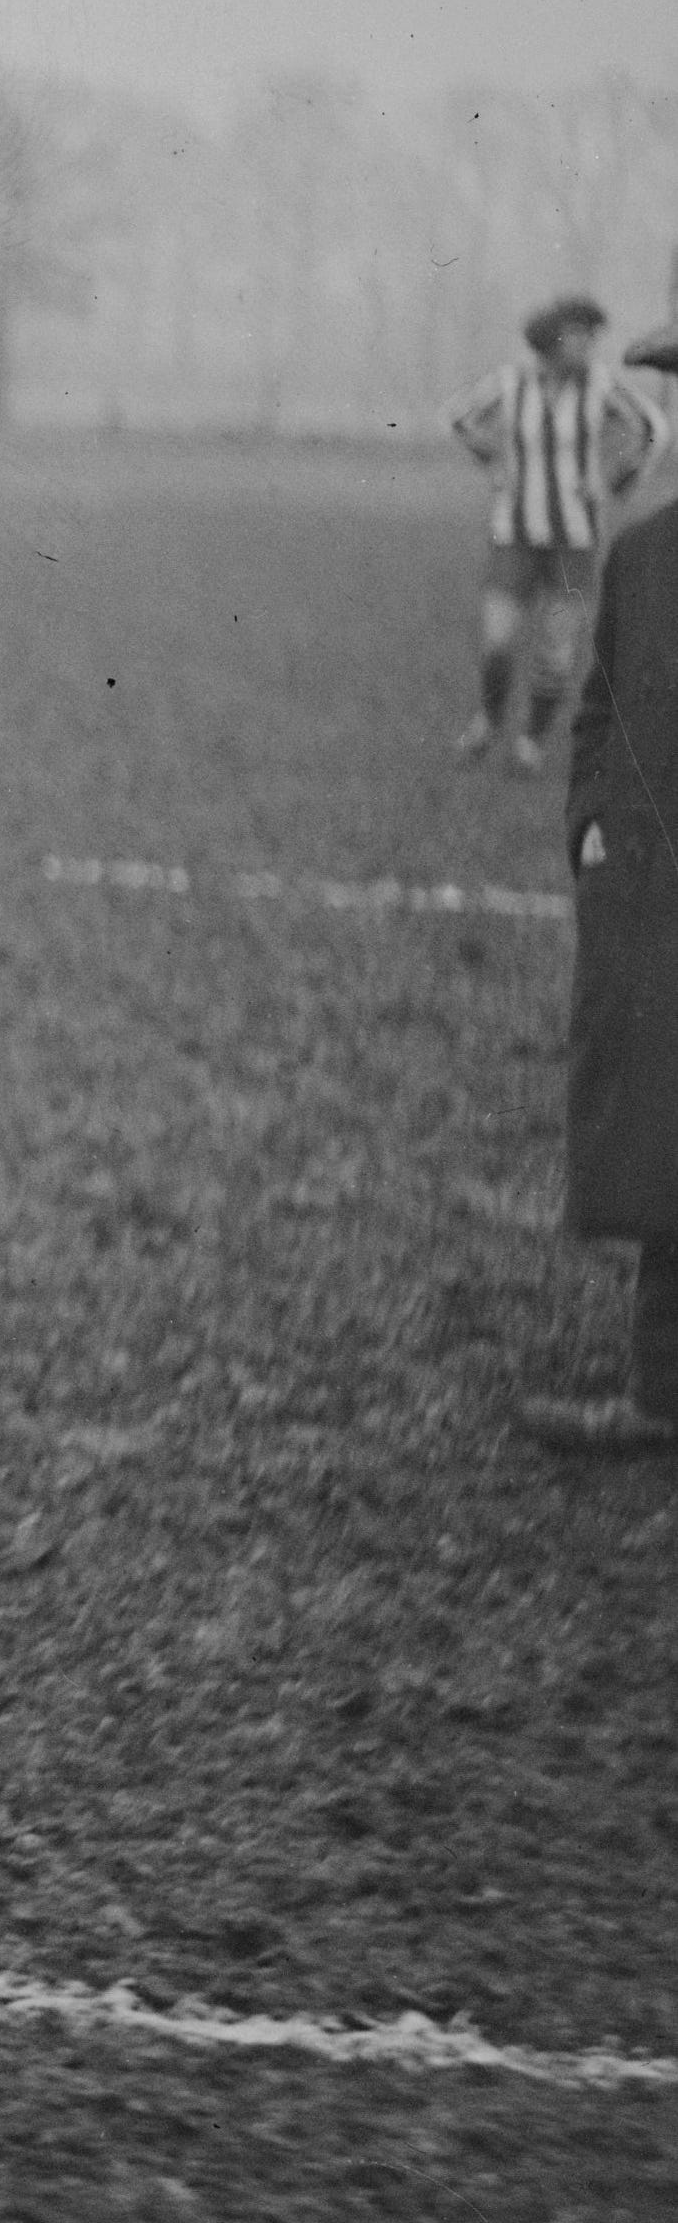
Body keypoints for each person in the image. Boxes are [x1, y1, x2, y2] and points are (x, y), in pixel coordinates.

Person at [518, 308, 678, 1454]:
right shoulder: (641, 552)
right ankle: (655, 1396)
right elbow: (600, 714)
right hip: (651, 891)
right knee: (659, 1140)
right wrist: (587, 827)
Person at [448, 296, 668, 774]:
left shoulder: (600, 387)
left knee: (557, 645)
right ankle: (488, 720)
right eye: (579, 335)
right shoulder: (512, 383)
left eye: (594, 338)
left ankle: (530, 741)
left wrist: (614, 483)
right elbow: (462, 417)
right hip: (515, 536)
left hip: (574, 540)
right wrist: (495, 462)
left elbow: (653, 428)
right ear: (552, 337)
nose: (588, 346)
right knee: (498, 641)